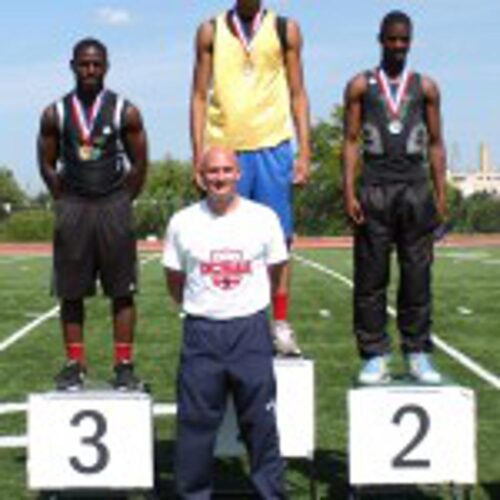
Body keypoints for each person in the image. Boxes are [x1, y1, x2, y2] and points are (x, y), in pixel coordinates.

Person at [163, 147, 288, 499]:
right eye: (212, 171)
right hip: (202, 333)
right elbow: (174, 279)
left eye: (226, 170)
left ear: (238, 174)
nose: (219, 177)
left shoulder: (263, 218)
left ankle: (270, 494)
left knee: (261, 425)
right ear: (200, 177)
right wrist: (200, 305)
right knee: (194, 428)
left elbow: (276, 270)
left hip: (249, 331)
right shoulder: (182, 221)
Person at [190, 0, 311, 356]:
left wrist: (304, 151)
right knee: (223, 237)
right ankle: (229, 322)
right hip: (225, 148)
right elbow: (198, 96)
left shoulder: (284, 28)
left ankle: (281, 324)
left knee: (279, 239)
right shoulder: (210, 30)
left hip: (273, 145)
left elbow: (298, 93)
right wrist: (199, 153)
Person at [342, 11, 447, 384]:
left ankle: (418, 353)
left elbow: (435, 144)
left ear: (411, 41)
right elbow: (351, 141)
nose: (398, 46)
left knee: (417, 275)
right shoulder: (360, 85)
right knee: (371, 277)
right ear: (380, 39)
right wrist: (350, 190)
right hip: (375, 187)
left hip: (416, 189)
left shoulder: (427, 88)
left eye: (404, 40)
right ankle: (374, 354)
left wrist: (441, 197)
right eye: (392, 39)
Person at [37, 38, 149, 391]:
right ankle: (75, 363)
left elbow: (140, 162)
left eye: (96, 64)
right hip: (75, 207)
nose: (90, 70)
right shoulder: (55, 112)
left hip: (112, 205)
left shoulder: (124, 111)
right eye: (84, 64)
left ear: (106, 66)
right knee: (71, 291)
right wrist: (66, 199)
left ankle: (124, 365)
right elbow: (47, 163)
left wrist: (120, 200)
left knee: (122, 290)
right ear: (72, 65)